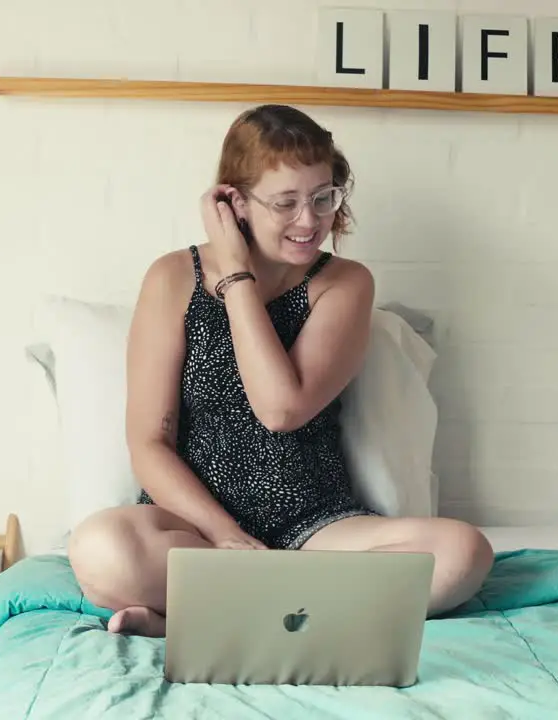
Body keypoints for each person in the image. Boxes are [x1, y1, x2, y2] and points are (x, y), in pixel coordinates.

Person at [68, 104, 494, 638]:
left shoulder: (344, 283)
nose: (310, 220)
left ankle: (205, 619)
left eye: (323, 197)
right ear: (236, 203)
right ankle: (296, 613)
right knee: (100, 550)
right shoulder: (172, 277)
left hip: (313, 528)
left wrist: (238, 277)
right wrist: (224, 536)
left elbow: (281, 409)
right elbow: (149, 442)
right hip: (196, 531)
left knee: (462, 552)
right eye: (286, 203)